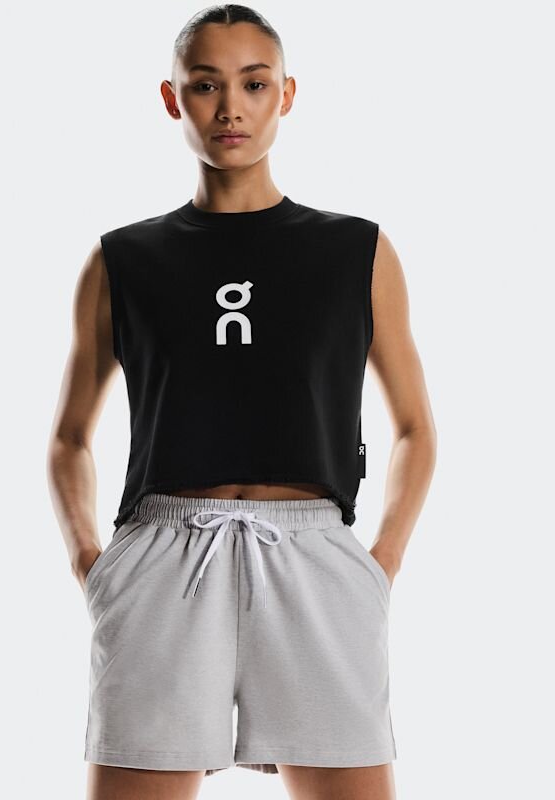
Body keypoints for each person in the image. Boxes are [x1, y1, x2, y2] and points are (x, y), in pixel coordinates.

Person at [47, 5, 437, 799]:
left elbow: (413, 427)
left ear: (286, 94)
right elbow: (70, 438)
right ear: (173, 98)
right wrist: (90, 560)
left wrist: (382, 562)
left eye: (254, 84)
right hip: (163, 556)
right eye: (206, 85)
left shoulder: (356, 249)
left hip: (314, 557)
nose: (231, 107)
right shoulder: (123, 259)